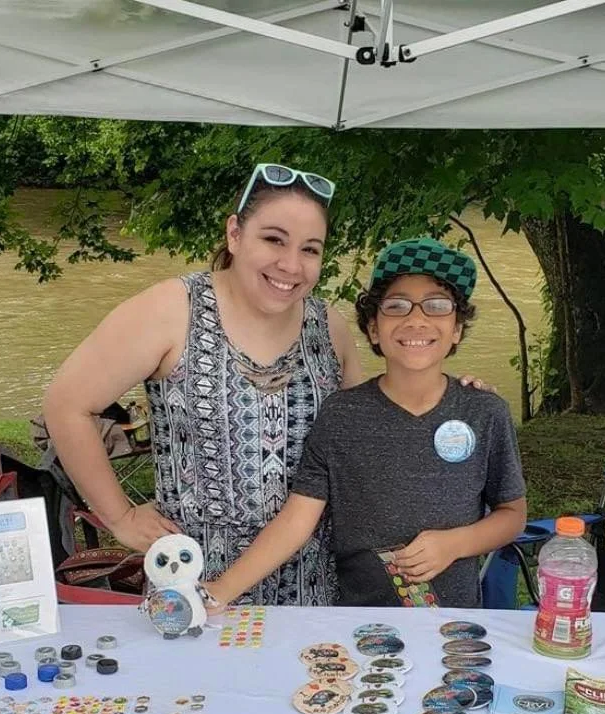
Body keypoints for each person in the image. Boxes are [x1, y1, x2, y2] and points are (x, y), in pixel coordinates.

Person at [42, 163, 488, 606]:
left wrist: (451, 398)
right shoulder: (172, 309)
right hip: (197, 581)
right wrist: (119, 516)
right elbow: (67, 404)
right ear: (235, 234)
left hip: (316, 584)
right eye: (274, 239)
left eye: (310, 249)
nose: (290, 264)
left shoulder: (328, 327)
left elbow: (368, 431)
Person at [202, 237, 528, 609]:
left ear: (456, 329)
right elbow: (296, 521)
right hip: (356, 622)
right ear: (373, 328)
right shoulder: (341, 415)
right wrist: (221, 590)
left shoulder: (485, 412)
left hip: (452, 626)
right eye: (397, 306)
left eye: (437, 306)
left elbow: (512, 515)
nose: (416, 319)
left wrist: (455, 544)